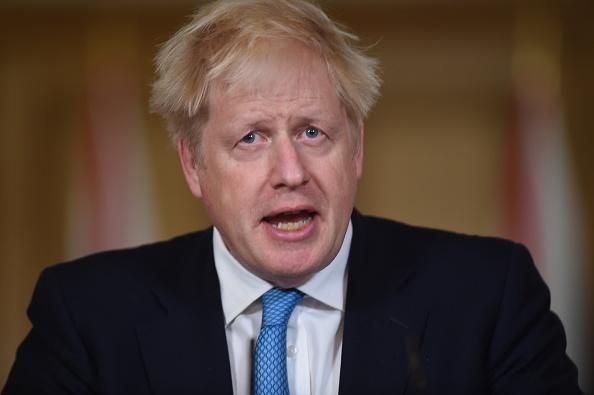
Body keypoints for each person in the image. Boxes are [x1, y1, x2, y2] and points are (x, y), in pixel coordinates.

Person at [3, 0, 584, 394]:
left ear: (355, 149)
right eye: (250, 138)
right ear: (194, 165)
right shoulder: (86, 316)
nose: (290, 172)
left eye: (313, 132)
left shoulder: (489, 296)